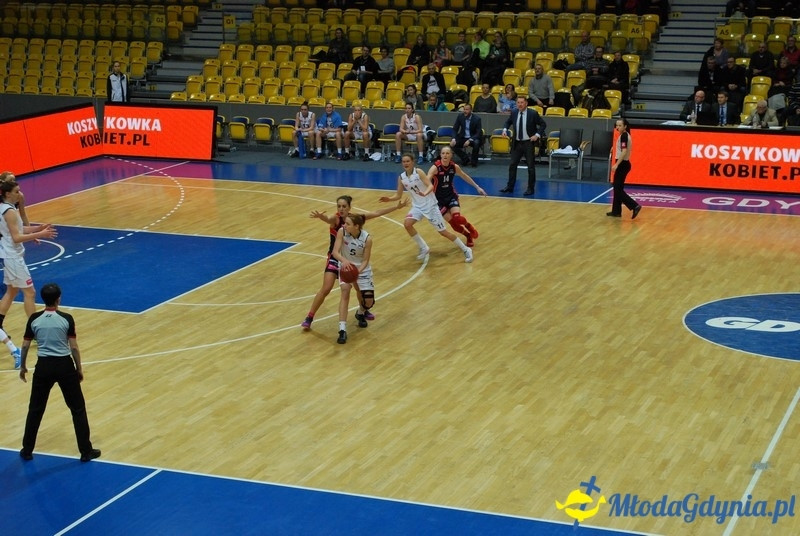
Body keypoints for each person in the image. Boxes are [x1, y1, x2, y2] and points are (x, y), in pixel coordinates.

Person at [18, 282, 101, 463]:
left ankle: (27, 449)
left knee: (35, 409)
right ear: (58, 299)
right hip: (64, 366)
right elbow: (74, 347)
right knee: (77, 408)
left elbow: (25, 345)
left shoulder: (34, 319)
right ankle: (86, 451)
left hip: (43, 367)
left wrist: (23, 366)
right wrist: (78, 368)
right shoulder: (66, 318)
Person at [301, 195, 407, 331]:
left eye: (344, 206)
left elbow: (376, 213)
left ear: (349, 208)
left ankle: (363, 311)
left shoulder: (355, 219)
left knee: (358, 288)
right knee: (326, 288)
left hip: (351, 261)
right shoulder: (336, 219)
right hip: (336, 258)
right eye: (339, 206)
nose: (341, 209)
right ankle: (309, 317)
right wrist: (321, 217)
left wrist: (396, 207)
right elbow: (328, 219)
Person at [379, 153, 473, 263]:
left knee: (443, 232)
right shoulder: (401, 177)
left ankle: (466, 249)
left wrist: (425, 193)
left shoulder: (419, 172)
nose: (405, 163)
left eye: (408, 161)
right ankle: (424, 247)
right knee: (407, 224)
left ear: (412, 162)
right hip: (417, 207)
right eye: (404, 161)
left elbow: (431, 186)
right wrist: (389, 199)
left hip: (431, 206)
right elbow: (398, 195)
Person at [0, 180, 58, 332]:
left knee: (11, 291)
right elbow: (16, 237)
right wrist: (41, 234)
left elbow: (18, 229)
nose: (20, 194)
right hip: (13, 256)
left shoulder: (5, 208)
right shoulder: (10, 212)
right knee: (30, 292)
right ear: (7, 194)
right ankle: (35, 331)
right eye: (16, 191)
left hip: (8, 255)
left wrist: (36, 228)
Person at [427, 146, 486, 248]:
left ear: (451, 155)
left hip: (451, 196)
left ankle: (469, 226)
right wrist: (424, 192)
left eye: (447, 153)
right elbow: (426, 180)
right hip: (438, 200)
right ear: (440, 155)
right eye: (443, 153)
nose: (445, 155)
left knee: (457, 218)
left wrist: (477, 187)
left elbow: (464, 176)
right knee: (454, 225)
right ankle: (468, 235)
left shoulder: (454, 167)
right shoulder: (435, 167)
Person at [331, 214, 373, 344]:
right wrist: (344, 262)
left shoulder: (367, 238)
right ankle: (342, 330)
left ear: (356, 226)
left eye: (348, 224)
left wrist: (357, 272)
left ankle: (360, 312)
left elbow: (366, 260)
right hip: (345, 265)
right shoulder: (341, 232)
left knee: (369, 302)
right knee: (345, 292)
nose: (344, 225)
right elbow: (335, 252)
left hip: (361, 268)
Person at [500, 95, 546, 196]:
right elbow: (508, 122)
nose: (519, 104)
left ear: (526, 103)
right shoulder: (514, 112)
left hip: (528, 143)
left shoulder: (532, 113)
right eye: (518, 103)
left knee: (530, 166)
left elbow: (543, 124)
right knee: (512, 165)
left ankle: (530, 188)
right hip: (517, 143)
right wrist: (504, 129)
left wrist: (537, 135)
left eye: (521, 102)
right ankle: (510, 186)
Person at [607, 118, 642, 219]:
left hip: (622, 164)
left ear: (625, 126)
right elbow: (622, 148)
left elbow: (624, 151)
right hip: (624, 164)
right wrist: (615, 147)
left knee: (617, 189)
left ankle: (634, 206)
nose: (617, 127)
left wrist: (616, 164)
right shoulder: (624, 135)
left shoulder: (624, 136)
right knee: (618, 188)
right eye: (617, 125)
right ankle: (616, 211)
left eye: (620, 126)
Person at [450, 103, 483, 168]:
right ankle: (465, 159)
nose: (465, 111)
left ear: (471, 110)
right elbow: (454, 129)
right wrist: (453, 138)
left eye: (467, 109)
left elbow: (478, 133)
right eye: (464, 109)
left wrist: (470, 140)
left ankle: (474, 162)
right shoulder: (460, 116)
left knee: (476, 143)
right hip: (463, 137)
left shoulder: (477, 119)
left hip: (473, 137)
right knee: (452, 145)